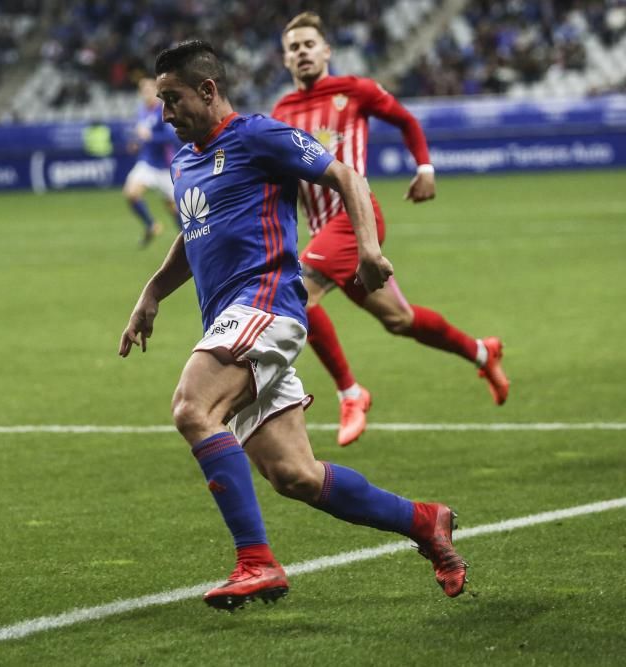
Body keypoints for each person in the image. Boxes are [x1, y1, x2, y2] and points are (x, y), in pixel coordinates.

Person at [120, 40, 468, 611]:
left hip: (266, 306)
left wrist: (369, 249)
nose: (165, 113)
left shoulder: (258, 135)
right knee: (296, 476)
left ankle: (255, 561)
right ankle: (427, 522)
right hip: (234, 319)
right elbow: (193, 231)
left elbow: (346, 177)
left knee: (192, 408)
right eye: (160, 101)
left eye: (173, 98)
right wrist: (151, 293)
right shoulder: (184, 162)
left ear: (208, 90)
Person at [272, 12, 509, 447]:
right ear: (285, 59)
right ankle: (482, 351)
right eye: (293, 47)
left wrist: (425, 167)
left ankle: (350, 392)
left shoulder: (354, 90)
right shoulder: (282, 111)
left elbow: (405, 120)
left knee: (297, 296)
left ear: (326, 51)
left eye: (309, 44)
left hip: (356, 218)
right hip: (323, 233)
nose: (302, 52)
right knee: (400, 320)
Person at [123, 77, 180, 247]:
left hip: (165, 167)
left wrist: (151, 137)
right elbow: (143, 135)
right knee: (131, 193)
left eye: (149, 89)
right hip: (147, 163)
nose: (146, 93)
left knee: (175, 208)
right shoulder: (142, 110)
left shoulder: (164, 111)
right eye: (143, 90)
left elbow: (173, 138)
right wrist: (137, 143)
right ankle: (151, 225)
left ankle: (187, 241)